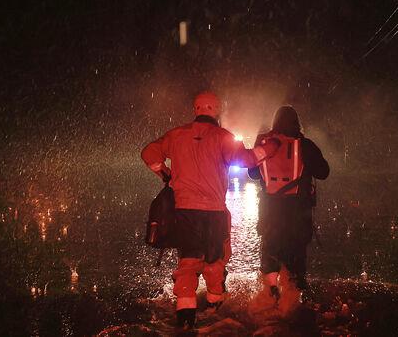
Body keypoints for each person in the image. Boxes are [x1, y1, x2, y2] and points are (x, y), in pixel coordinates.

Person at [141, 92, 280, 330]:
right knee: (215, 260)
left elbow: (148, 154)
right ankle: (215, 312)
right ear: (216, 110)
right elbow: (246, 159)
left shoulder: (176, 135)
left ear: (196, 109)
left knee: (187, 262)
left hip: (184, 211)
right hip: (214, 212)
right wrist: (268, 149)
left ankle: (185, 317)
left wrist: (164, 173)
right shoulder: (222, 137)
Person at [248, 105, 329, 313]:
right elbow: (324, 172)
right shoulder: (305, 145)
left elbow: (253, 174)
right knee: (296, 253)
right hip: (297, 214)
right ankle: (294, 302)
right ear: (296, 123)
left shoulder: (265, 145)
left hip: (270, 212)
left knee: (270, 250)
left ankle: (271, 293)